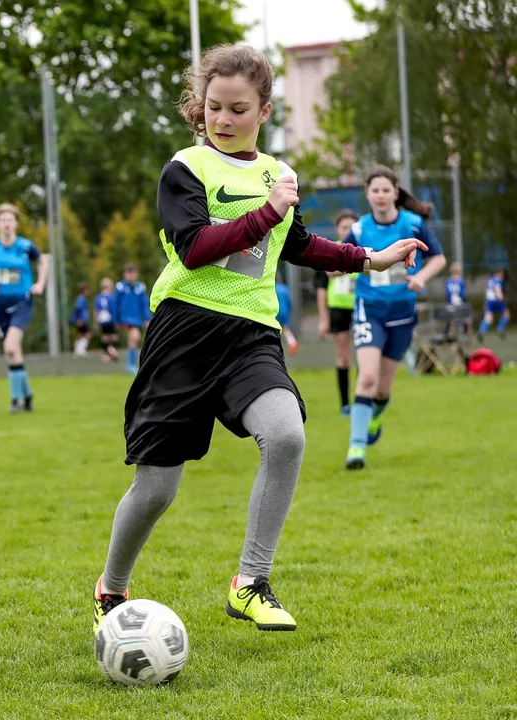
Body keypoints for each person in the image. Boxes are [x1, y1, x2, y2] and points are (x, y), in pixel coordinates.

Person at [91, 44, 426, 635]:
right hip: (183, 333)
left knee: (287, 435)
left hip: (252, 336)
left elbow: (297, 245)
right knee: (157, 487)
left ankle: (251, 581)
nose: (222, 119)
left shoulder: (278, 174)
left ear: (264, 111)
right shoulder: (184, 168)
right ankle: (111, 589)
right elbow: (193, 249)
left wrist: (370, 259)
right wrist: (265, 215)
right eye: (214, 107)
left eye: (237, 109)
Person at [344, 166, 446, 470]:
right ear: (367, 194)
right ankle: (356, 447)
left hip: (402, 313)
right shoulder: (359, 229)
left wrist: (421, 278)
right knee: (368, 377)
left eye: (385, 190)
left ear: (395, 193)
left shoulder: (413, 224)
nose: (380, 195)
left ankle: (374, 416)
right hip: (369, 310)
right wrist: (336, 264)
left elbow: (438, 257)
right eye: (374, 190)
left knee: (383, 388)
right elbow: (338, 260)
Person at [0, 203, 49, 412]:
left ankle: (16, 401)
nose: (6, 224)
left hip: (22, 303)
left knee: (10, 348)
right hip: (0, 307)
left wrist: (40, 284)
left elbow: (43, 261)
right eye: (2, 220)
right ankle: (28, 396)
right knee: (13, 354)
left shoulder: (25, 246)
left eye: (10, 220)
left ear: (16, 223)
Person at [314, 210, 360, 415]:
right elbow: (322, 285)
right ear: (337, 230)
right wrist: (323, 318)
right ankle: (345, 404)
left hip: (361, 306)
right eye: (344, 227)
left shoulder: (366, 251)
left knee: (364, 356)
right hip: (339, 308)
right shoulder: (331, 251)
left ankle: (361, 401)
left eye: (352, 227)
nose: (348, 231)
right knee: (343, 357)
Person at [115, 264, 151, 374]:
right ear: (124, 274)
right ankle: (130, 365)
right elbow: (116, 304)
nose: (130, 276)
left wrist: (147, 318)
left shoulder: (140, 287)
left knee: (133, 340)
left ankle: (130, 364)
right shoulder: (120, 287)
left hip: (136, 319)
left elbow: (144, 304)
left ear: (136, 274)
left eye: (133, 273)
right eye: (128, 273)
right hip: (125, 319)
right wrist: (117, 320)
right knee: (135, 337)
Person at [478, 268, 509, 340]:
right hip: (496, 300)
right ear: (500, 273)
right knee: (506, 314)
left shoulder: (490, 280)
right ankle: (499, 329)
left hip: (489, 301)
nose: (503, 276)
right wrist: (501, 297)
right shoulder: (498, 280)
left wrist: (485, 302)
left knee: (488, 317)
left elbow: (486, 291)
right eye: (502, 274)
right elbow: (497, 289)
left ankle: (482, 331)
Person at [95, 278, 120, 363]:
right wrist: (116, 320)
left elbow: (96, 311)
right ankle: (112, 352)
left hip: (102, 319)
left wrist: (96, 322)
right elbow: (113, 310)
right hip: (110, 319)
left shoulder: (98, 297)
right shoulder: (111, 297)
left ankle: (107, 355)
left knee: (105, 337)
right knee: (113, 336)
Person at [274, 271, 298, 357]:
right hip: (284, 311)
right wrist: (289, 309)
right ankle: (292, 342)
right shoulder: (285, 288)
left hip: (275, 312)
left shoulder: (273, 288)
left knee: (275, 329)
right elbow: (289, 301)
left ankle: (276, 348)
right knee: (286, 328)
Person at [71, 283, 93, 357]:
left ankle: (77, 349)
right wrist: (78, 319)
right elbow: (77, 309)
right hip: (81, 320)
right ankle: (80, 349)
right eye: (87, 290)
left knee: (81, 334)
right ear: (84, 291)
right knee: (88, 334)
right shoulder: (81, 299)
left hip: (82, 320)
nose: (89, 291)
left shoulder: (82, 298)